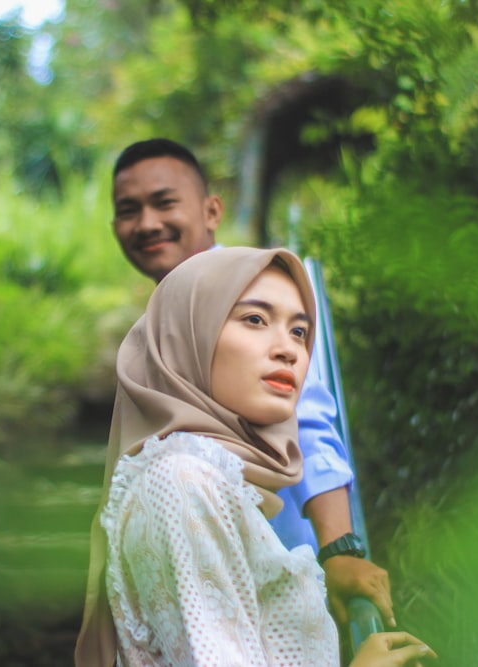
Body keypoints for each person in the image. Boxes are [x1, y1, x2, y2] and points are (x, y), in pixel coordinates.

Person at [75, 247, 435, 666]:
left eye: (300, 331)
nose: (289, 350)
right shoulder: (182, 483)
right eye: (255, 320)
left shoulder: (209, 479)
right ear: (190, 335)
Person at [108, 138, 393, 628]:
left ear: (211, 210)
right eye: (129, 210)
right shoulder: (168, 315)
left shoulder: (262, 293)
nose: (148, 223)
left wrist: (339, 548)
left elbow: (307, 417)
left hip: (285, 581)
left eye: (165, 202)